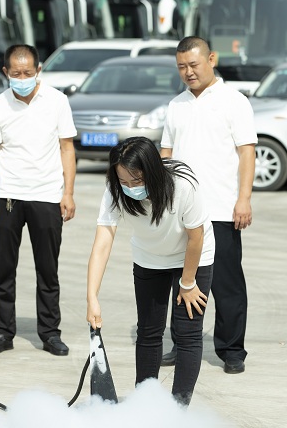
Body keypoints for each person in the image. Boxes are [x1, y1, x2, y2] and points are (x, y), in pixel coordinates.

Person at [86, 136, 214, 406]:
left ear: (152, 172)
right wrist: (92, 297)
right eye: (124, 181)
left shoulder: (183, 185)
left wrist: (187, 283)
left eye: (137, 181)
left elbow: (196, 237)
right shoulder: (115, 190)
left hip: (192, 256)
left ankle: (178, 410)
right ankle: (145, 405)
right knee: (148, 332)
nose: (130, 188)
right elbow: (103, 241)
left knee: (188, 332)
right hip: (149, 258)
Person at [160, 36, 256, 374]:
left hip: (221, 208)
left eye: (193, 65)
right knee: (183, 279)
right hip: (182, 211)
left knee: (227, 285)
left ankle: (232, 350)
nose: (188, 72)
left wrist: (243, 199)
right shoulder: (176, 105)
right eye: (181, 67)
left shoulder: (234, 101)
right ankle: (183, 341)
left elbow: (247, 152)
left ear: (211, 59)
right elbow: (166, 153)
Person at [0, 44, 76, 356]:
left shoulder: (57, 101)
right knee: (3, 270)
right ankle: (2, 332)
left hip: (47, 195)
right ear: (5, 72)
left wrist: (68, 193)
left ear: (38, 70)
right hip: (7, 195)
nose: (22, 78)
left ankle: (50, 333)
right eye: (16, 73)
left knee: (48, 270)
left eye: (28, 72)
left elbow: (66, 148)